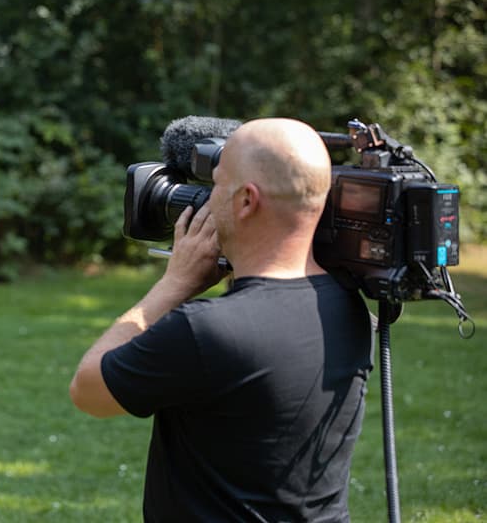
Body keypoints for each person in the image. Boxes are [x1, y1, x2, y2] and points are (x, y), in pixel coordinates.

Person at [69, 118, 373, 522]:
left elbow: (89, 390)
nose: (207, 200)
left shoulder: (206, 332)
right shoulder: (352, 310)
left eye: (215, 186)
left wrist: (174, 284)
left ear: (246, 201)